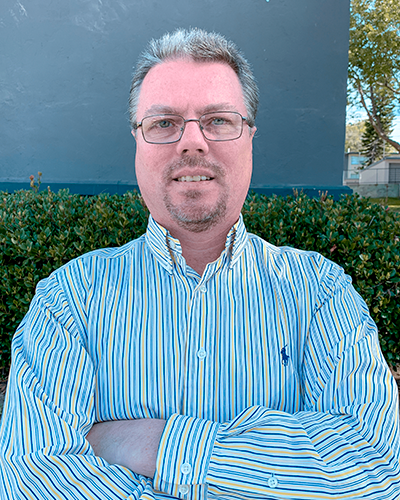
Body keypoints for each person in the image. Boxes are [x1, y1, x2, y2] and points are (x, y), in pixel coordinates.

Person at [0, 28, 399, 500]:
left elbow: (375, 469)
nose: (192, 142)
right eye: (164, 122)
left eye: (218, 120)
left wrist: (155, 445)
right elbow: (32, 479)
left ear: (250, 138)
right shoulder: (68, 302)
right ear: (137, 142)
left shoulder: (321, 293)